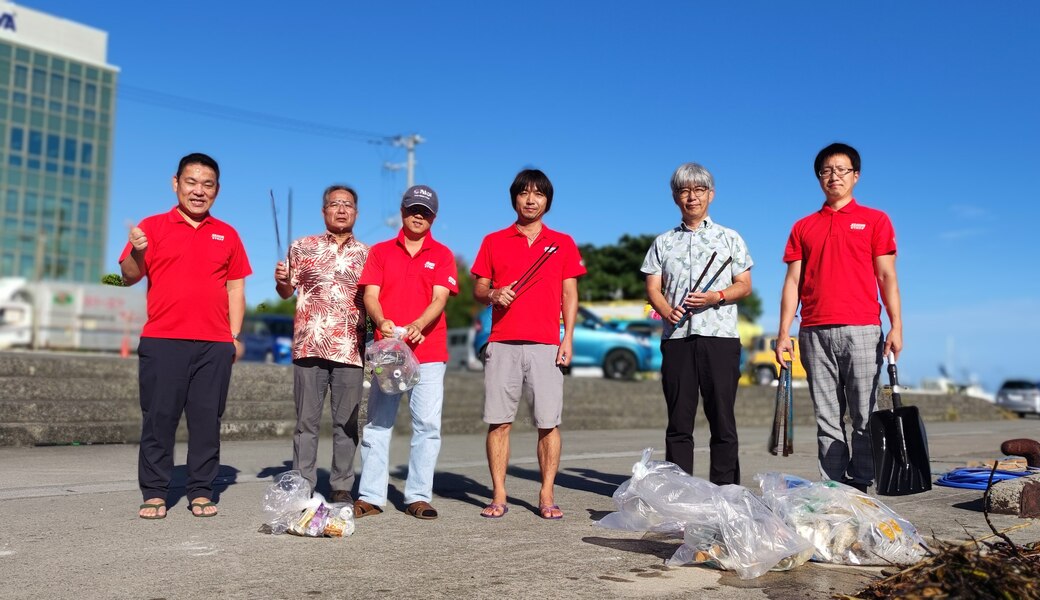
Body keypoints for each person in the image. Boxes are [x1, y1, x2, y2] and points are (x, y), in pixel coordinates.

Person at [120, 152, 252, 519]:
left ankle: (201, 490)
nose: (198, 191)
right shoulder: (152, 226)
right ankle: (155, 491)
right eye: (191, 182)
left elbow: (236, 289)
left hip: (214, 344)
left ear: (217, 190)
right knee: (159, 419)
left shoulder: (228, 234)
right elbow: (129, 276)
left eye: (207, 185)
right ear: (175, 183)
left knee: (207, 421)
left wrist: (234, 335)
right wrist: (137, 251)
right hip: (163, 339)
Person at [776, 142, 903, 492]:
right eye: (826, 171)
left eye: (842, 170)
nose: (834, 176)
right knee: (826, 418)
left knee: (864, 415)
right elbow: (792, 282)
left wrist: (897, 325)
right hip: (813, 331)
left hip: (862, 328)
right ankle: (833, 490)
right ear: (819, 178)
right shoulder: (803, 227)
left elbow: (887, 276)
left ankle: (861, 485)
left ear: (855, 175)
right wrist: (784, 332)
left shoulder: (875, 220)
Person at [471, 169, 586, 519]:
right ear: (514, 199)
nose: (531, 200)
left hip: (546, 344)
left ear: (547, 201)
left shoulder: (562, 242)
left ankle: (546, 493)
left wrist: (567, 338)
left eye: (538, 194)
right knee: (498, 422)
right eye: (524, 193)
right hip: (502, 342)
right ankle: (499, 494)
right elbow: (479, 289)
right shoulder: (493, 240)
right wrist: (494, 293)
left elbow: (570, 294)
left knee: (548, 423)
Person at [641, 162, 753, 485]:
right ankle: (680, 490)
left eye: (699, 190)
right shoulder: (663, 242)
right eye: (684, 191)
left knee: (722, 420)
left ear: (711, 194)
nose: (692, 197)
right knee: (679, 422)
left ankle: (725, 490)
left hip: (720, 338)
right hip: (677, 339)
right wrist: (667, 311)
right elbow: (653, 288)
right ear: (675, 197)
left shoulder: (730, 238)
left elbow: (744, 285)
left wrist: (716, 296)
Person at [352, 185, 458, 520]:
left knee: (427, 425)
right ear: (402, 211)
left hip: (429, 351)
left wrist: (419, 324)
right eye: (413, 209)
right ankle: (371, 496)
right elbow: (371, 294)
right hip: (388, 351)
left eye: (425, 212)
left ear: (433, 218)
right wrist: (380, 319)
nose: (418, 216)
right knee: (378, 423)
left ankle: (418, 496)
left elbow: (440, 298)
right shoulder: (381, 251)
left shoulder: (443, 254)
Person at [274, 185, 368, 504]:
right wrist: (281, 280)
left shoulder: (369, 254)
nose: (341, 209)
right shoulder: (302, 247)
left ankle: (341, 485)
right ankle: (303, 483)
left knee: (347, 423)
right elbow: (286, 292)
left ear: (356, 212)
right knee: (306, 422)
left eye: (347, 205)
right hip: (309, 345)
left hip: (351, 349)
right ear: (323, 210)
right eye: (334, 204)